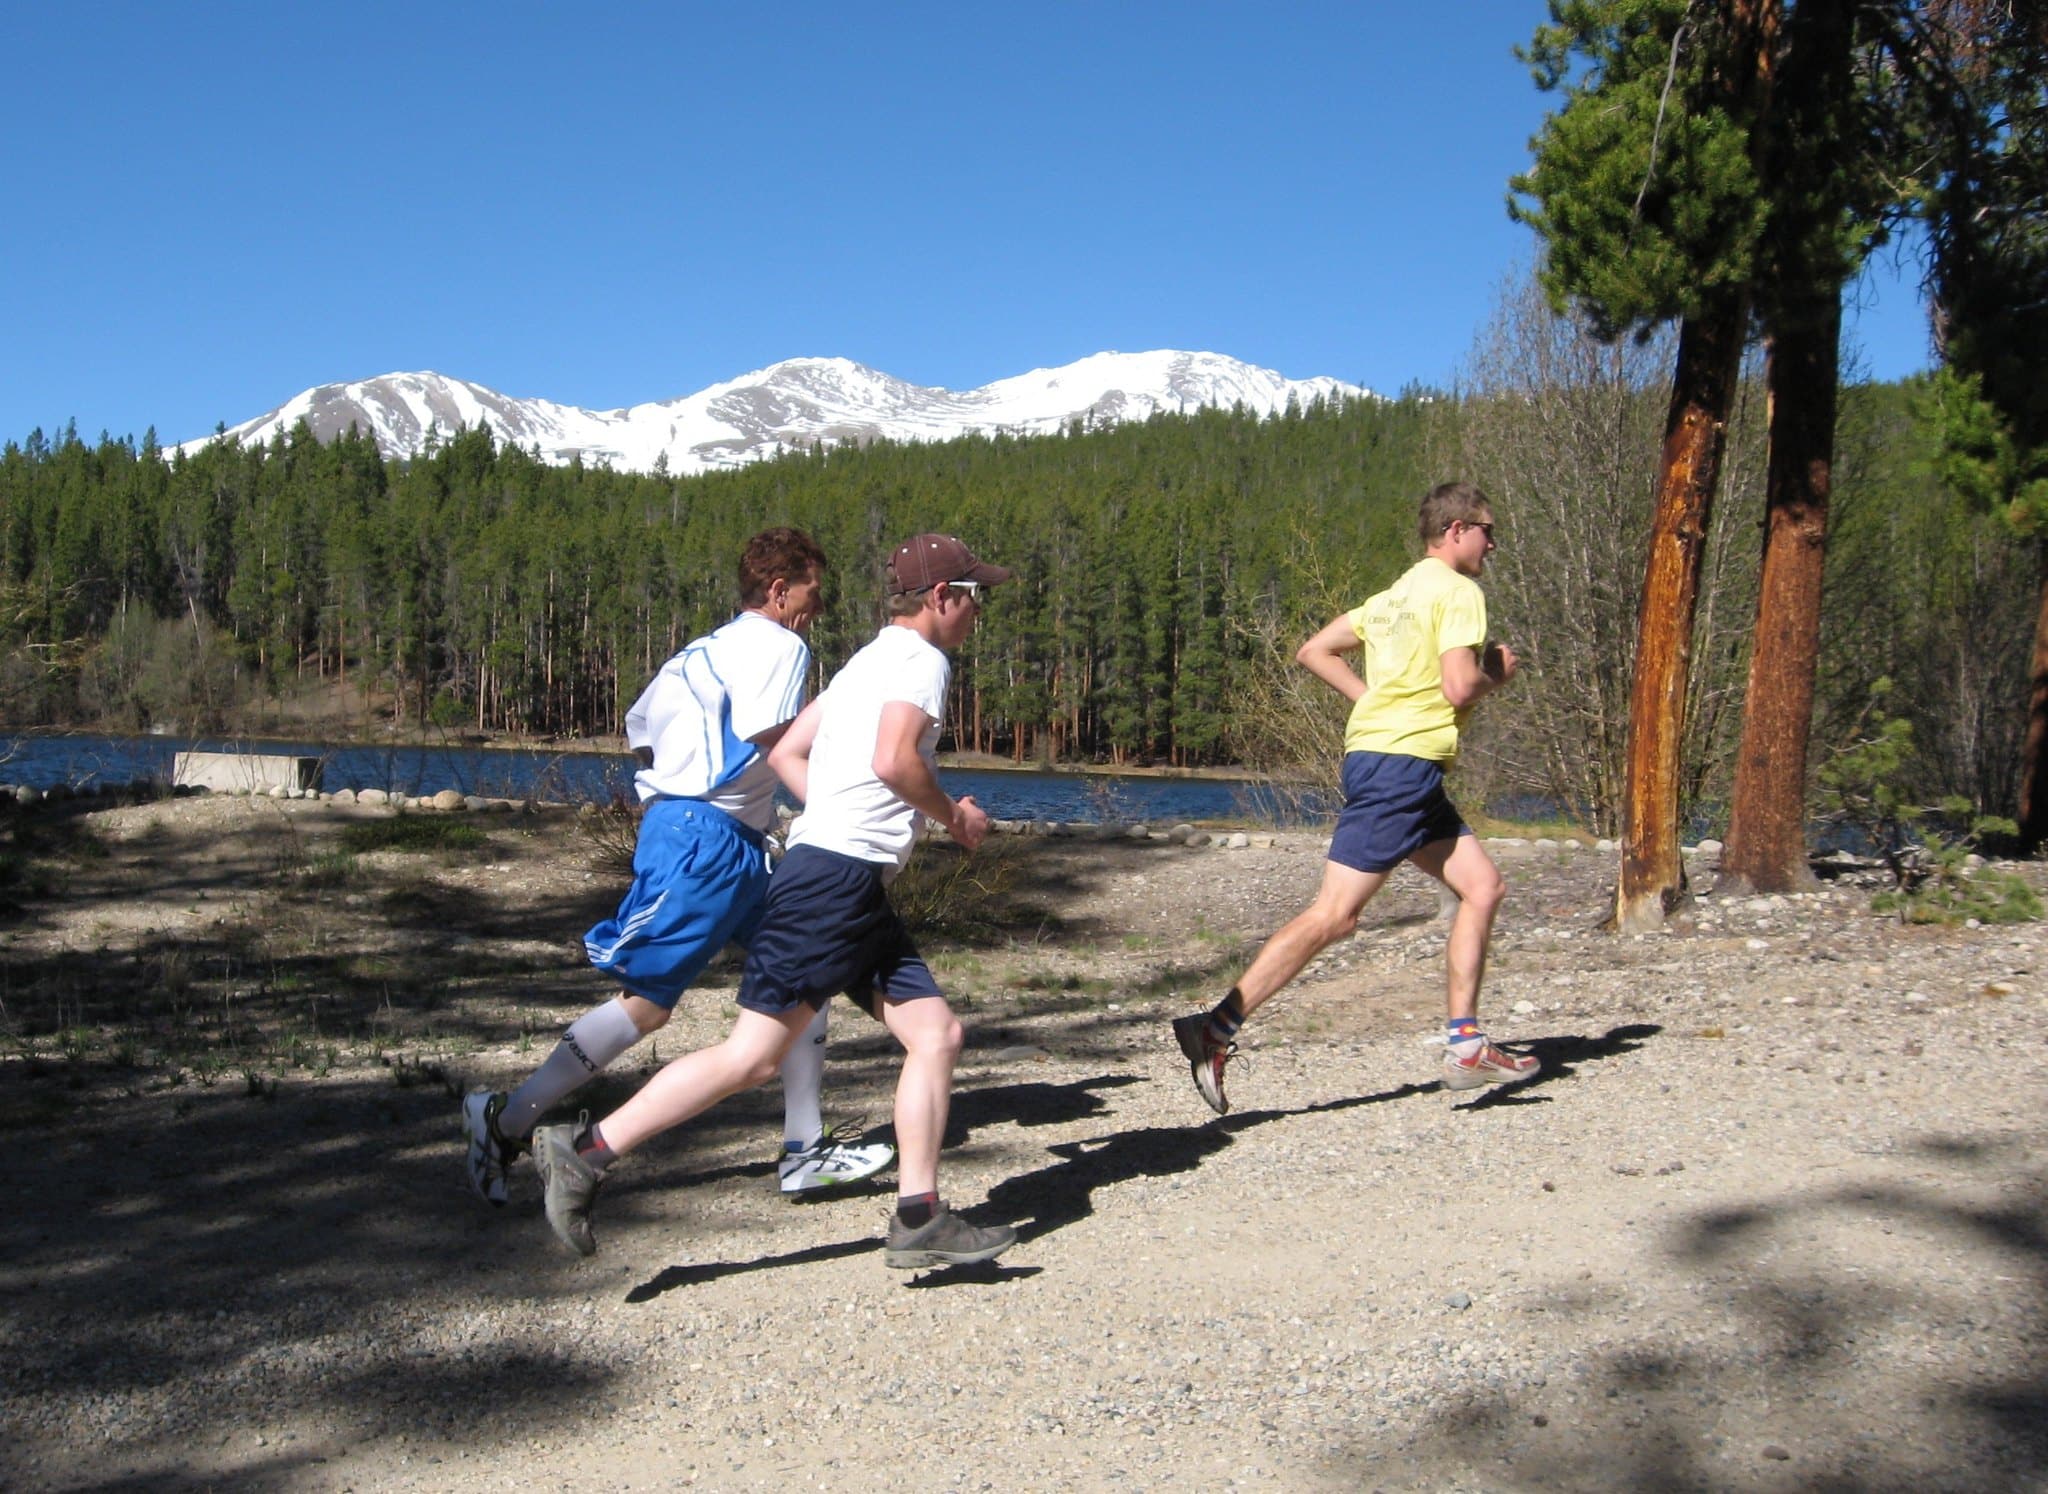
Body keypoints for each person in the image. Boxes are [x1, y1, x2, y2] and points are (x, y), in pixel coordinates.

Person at [531, 534, 1019, 1271]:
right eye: (976, 595)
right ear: (941, 597)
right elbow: (894, 760)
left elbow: (789, 752)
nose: (979, 611)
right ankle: (588, 1152)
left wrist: (842, 820)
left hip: (847, 882)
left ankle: (920, 1214)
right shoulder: (922, 661)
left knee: (937, 1035)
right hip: (834, 886)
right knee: (753, 1057)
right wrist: (953, 818)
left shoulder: (867, 658)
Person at [461, 527, 894, 1207]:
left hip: (718, 837)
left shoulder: (698, 650)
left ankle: (805, 1148)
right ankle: (507, 1121)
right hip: (710, 844)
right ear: (780, 592)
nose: (820, 607)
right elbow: (775, 740)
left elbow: (641, 734)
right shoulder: (783, 644)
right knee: (649, 1005)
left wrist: (682, 802)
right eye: (815, 592)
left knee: (797, 979)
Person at [1170, 482, 1540, 1113]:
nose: (1493, 542)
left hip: (1391, 761)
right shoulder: (1458, 593)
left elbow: (1314, 650)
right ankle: (1217, 1027)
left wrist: (1375, 704)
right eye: (1486, 529)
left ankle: (1467, 1043)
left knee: (1483, 887)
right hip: (1402, 767)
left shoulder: (1394, 597)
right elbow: (1458, 687)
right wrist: (1495, 676)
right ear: (1455, 530)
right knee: (1335, 915)